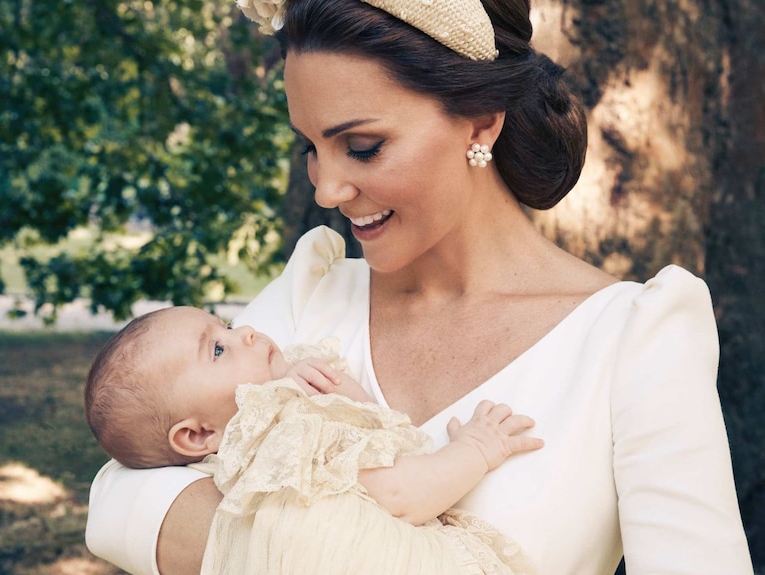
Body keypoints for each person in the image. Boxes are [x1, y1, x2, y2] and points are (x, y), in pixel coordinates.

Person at [85, 0, 754, 573]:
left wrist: (266, 543)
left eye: (363, 146)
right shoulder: (314, 294)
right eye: (310, 147)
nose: (326, 188)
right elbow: (119, 499)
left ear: (481, 120)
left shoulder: (634, 340)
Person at [84, 304, 543, 574]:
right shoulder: (286, 439)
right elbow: (401, 494)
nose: (244, 331)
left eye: (223, 324)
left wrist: (311, 389)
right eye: (219, 349)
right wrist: (476, 450)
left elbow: (365, 435)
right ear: (199, 434)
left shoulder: (261, 448)